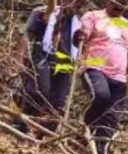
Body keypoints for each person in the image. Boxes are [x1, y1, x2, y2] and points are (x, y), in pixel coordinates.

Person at [79, 0, 128, 154]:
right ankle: (85, 125)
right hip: (95, 67)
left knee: (112, 114)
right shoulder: (93, 16)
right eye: (116, 2)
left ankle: (100, 151)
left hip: (119, 76)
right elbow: (81, 37)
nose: (119, 6)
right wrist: (78, 36)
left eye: (123, 3)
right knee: (101, 95)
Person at [14, 0, 85, 128]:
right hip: (42, 56)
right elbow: (27, 36)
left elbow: (81, 45)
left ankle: (44, 132)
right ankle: (22, 124)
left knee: (58, 101)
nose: (75, 5)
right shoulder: (42, 12)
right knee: (40, 90)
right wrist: (19, 61)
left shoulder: (80, 21)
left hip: (65, 63)